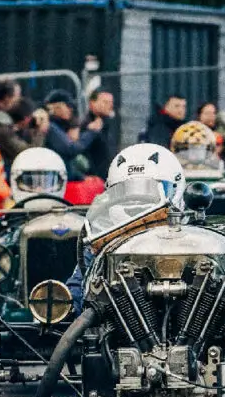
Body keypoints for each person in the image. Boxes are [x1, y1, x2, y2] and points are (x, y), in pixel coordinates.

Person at [67, 144, 187, 311]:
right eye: (124, 191)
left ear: (177, 188)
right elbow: (75, 290)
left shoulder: (192, 239)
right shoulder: (103, 241)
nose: (137, 200)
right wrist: (69, 306)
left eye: (151, 189)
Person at [44, 88, 104, 172]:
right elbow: (71, 149)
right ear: (56, 107)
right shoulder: (51, 127)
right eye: (68, 106)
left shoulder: (61, 125)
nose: (71, 109)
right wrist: (92, 132)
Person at [84, 88, 118, 177]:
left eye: (111, 102)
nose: (110, 106)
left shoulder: (107, 124)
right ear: (92, 103)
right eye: (105, 102)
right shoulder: (87, 126)